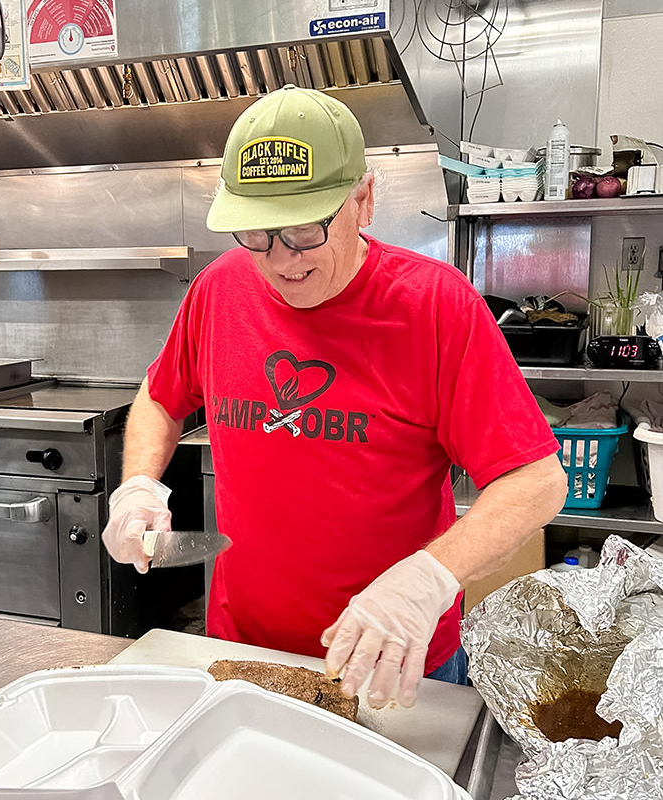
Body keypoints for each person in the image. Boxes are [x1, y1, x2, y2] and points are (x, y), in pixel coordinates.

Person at [101, 84, 568, 709]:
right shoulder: (219, 289)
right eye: (258, 234)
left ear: (363, 200)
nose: (280, 260)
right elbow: (160, 396)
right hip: (244, 651)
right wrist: (137, 487)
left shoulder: (435, 307)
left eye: (303, 231)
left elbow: (535, 481)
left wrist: (427, 579)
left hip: (388, 662)